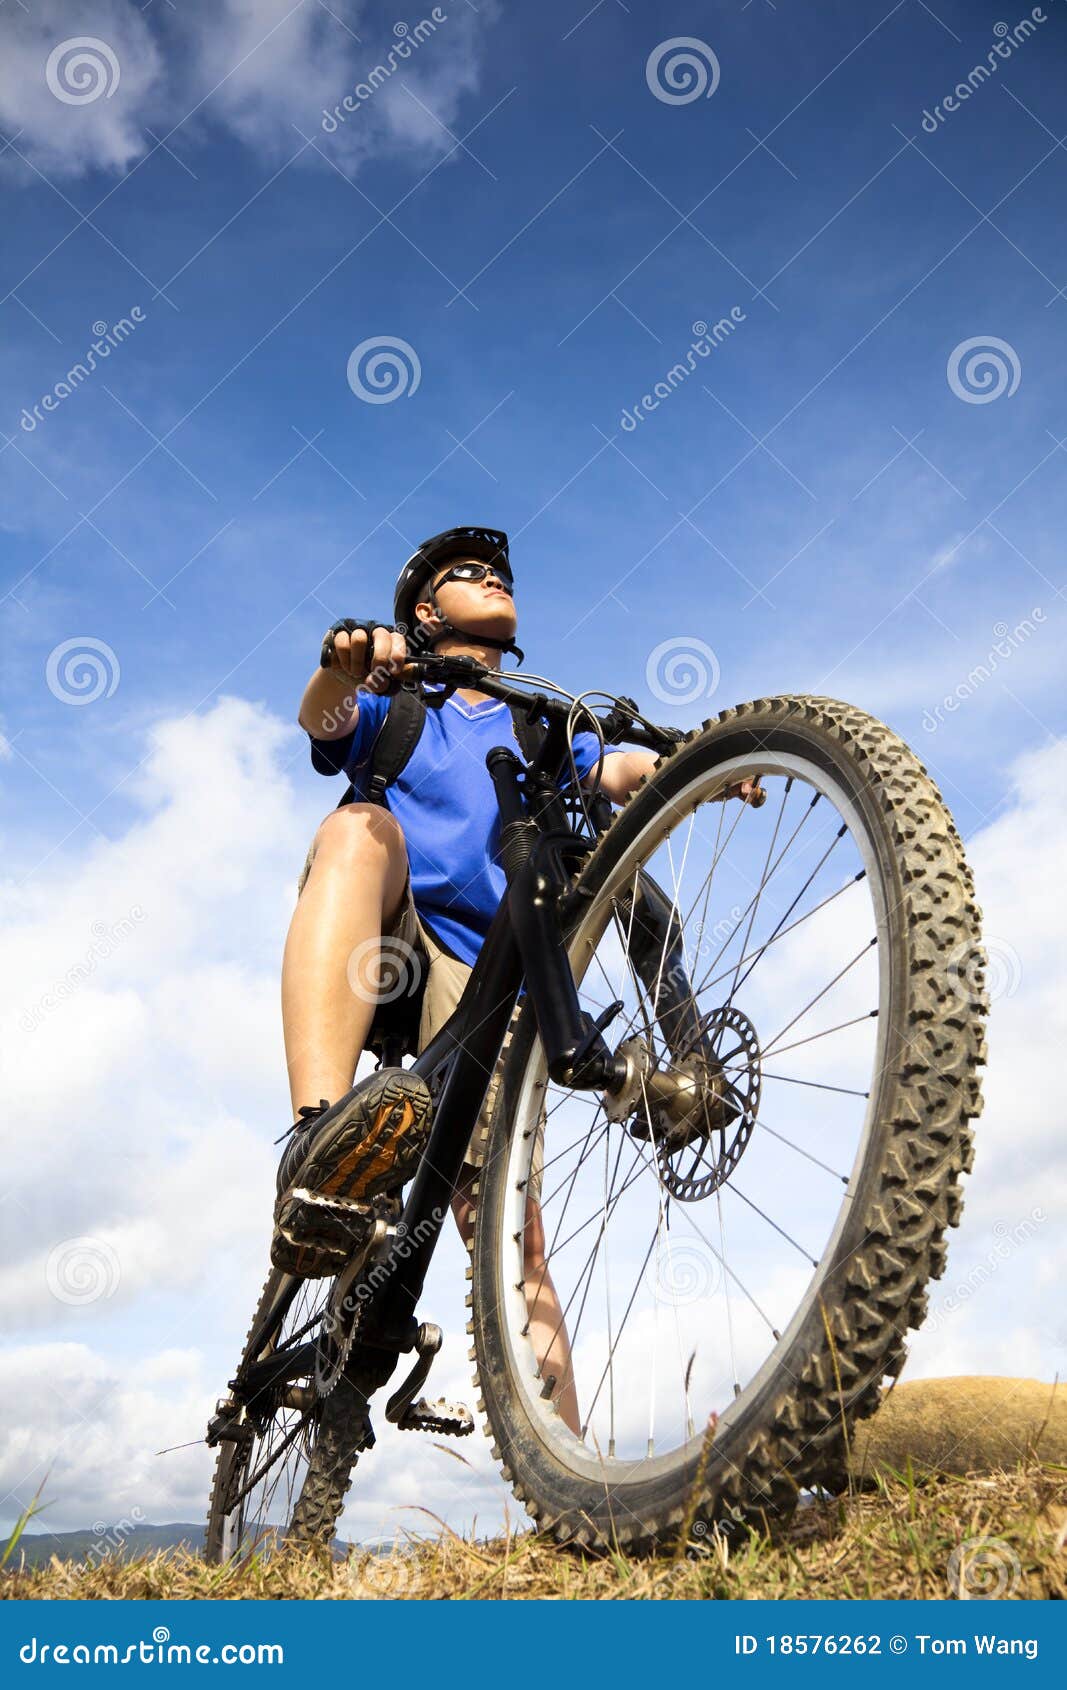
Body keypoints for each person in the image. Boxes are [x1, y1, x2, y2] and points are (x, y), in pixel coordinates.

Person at [272, 526, 756, 1433]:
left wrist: (689, 767)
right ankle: (317, 1137)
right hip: (399, 950)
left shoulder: (539, 724)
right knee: (355, 830)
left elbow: (615, 772)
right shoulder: (402, 704)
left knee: (505, 1232)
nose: (492, 577)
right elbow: (323, 719)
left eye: (500, 571)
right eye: (467, 573)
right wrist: (341, 662)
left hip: (494, 980)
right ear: (423, 612)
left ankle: (563, 1467)